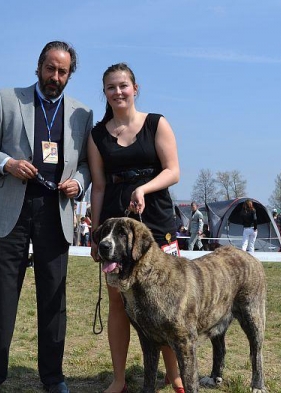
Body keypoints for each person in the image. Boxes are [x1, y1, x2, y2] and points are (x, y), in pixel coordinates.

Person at [0, 41, 92, 393]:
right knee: (2, 297)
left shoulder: (81, 114)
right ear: (38, 66)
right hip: (12, 210)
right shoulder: (8, 98)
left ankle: (53, 377)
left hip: (55, 213)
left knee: (54, 299)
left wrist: (78, 183)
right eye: (50, 68)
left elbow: (86, 164)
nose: (55, 76)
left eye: (63, 71)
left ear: (70, 74)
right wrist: (7, 163)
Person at [88, 62, 183, 393]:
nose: (118, 92)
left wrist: (143, 189)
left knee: (166, 303)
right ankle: (118, 380)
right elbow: (98, 186)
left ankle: (175, 377)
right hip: (115, 227)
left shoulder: (157, 124)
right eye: (111, 87)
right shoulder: (97, 135)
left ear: (135, 88)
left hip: (156, 218)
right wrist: (95, 231)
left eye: (123, 86)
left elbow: (173, 171)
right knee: (118, 302)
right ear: (105, 93)